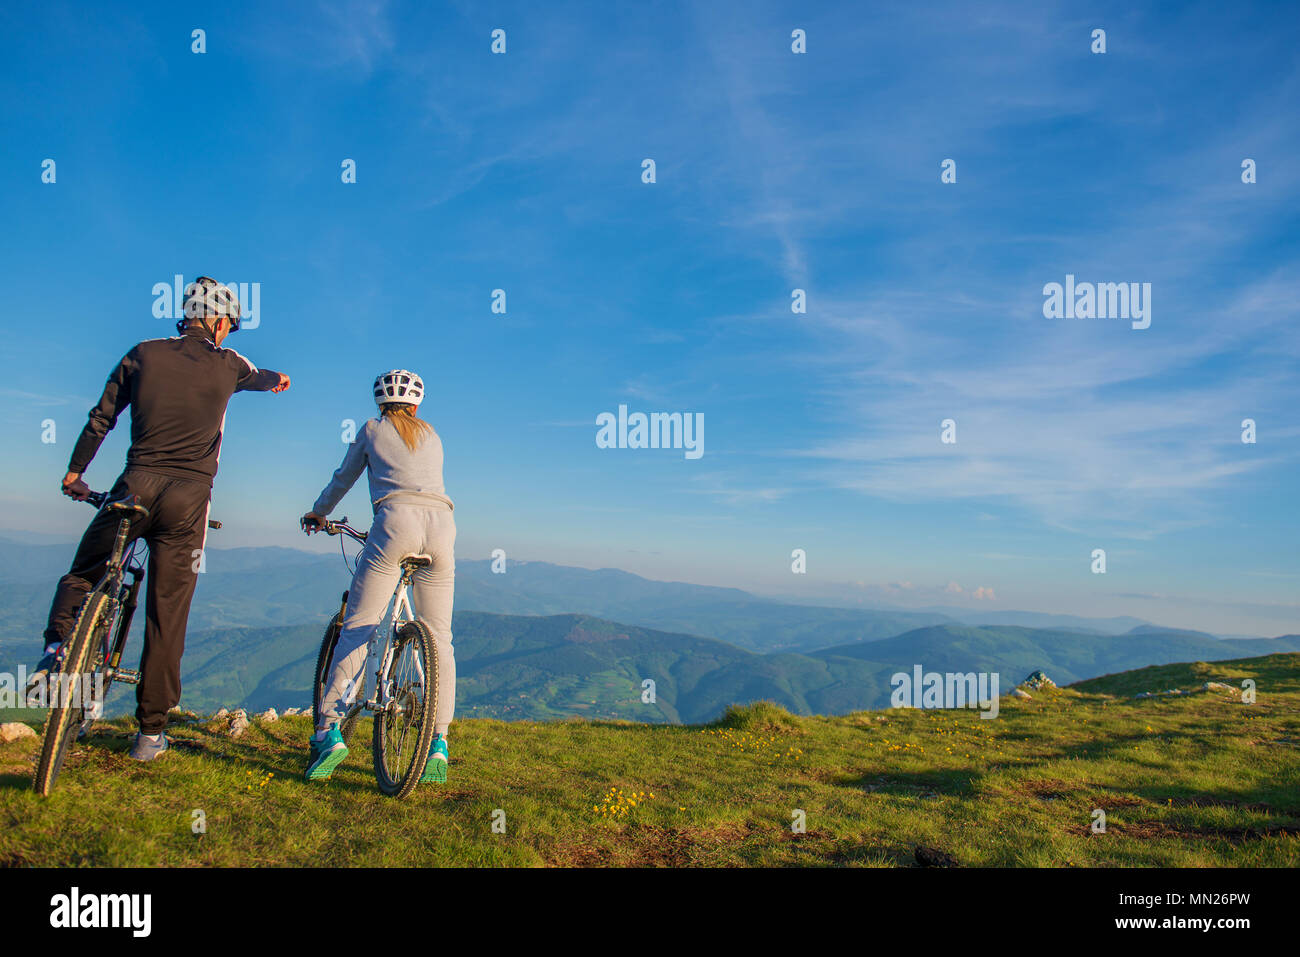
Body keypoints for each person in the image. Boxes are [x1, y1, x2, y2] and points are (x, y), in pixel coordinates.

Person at [29, 277, 289, 761]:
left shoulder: (142, 353)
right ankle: (150, 734)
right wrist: (279, 381)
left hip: (136, 485)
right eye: (230, 324)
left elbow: (100, 418)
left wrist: (74, 474)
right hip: (190, 500)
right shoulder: (231, 364)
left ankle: (56, 648)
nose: (230, 333)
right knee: (168, 612)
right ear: (215, 321)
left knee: (85, 571)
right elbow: (267, 375)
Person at [301, 369, 456, 784]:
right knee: (439, 637)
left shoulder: (373, 429)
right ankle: (438, 741)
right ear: (417, 403)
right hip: (442, 527)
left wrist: (319, 512)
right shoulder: (433, 435)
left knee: (358, 627)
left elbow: (343, 478)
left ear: (379, 403)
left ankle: (327, 732)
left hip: (394, 523)